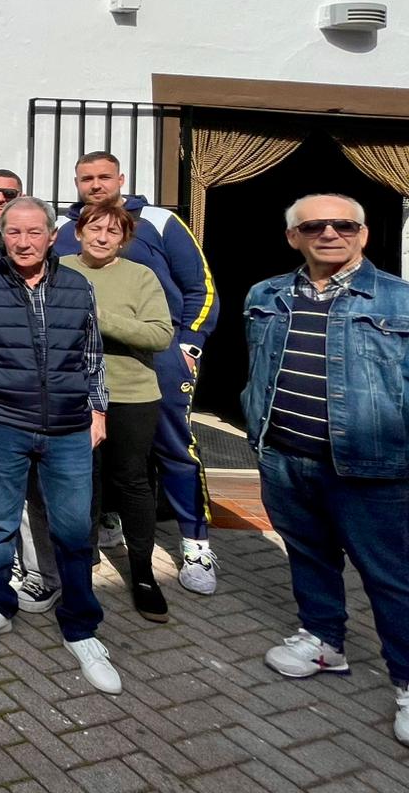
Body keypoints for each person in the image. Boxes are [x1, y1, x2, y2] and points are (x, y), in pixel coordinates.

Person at [241, 195, 409, 747]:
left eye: (344, 225)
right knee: (309, 555)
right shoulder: (266, 295)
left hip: (371, 467)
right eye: (314, 225)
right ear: (294, 237)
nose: (329, 233)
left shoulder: (400, 300)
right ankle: (323, 640)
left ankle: (406, 683)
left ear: (363, 234)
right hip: (286, 456)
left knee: (391, 577)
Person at [0, 197, 121, 695]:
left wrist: (98, 409)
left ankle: (81, 626)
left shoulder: (77, 286)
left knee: (71, 529)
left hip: (69, 428)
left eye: (33, 233)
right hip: (3, 423)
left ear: (51, 236)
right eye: (13, 233)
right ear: (2, 235)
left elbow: (92, 354)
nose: (23, 242)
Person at [52, 151, 220, 593]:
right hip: (86, 366)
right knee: (99, 449)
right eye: (86, 178)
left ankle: (195, 541)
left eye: (103, 176)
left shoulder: (159, 221)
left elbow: (199, 285)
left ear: (121, 178)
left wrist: (191, 345)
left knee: (173, 447)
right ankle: (108, 521)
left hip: (157, 356)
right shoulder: (65, 230)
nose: (95, 184)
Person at [61, 201, 174, 623]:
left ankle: (143, 573)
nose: (103, 237)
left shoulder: (140, 276)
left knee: (132, 480)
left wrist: (99, 317)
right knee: (80, 482)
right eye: (95, 229)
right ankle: (80, 568)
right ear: (78, 232)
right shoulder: (60, 270)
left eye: (113, 231)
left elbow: (160, 334)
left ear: (124, 239)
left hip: (130, 394)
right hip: (72, 393)